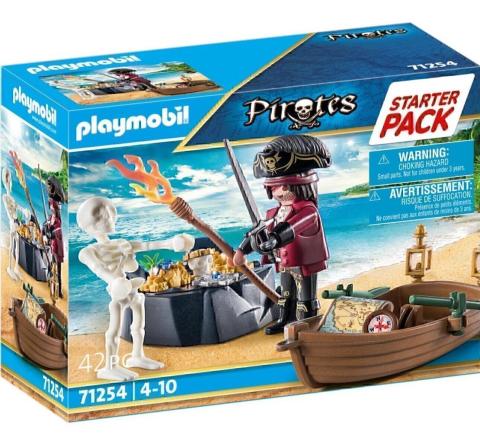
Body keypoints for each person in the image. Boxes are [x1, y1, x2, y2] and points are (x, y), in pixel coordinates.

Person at [232, 135, 332, 334]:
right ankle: (285, 320)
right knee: (286, 294)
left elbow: (294, 226)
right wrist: (243, 249)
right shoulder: (275, 212)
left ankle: (306, 326)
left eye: (285, 185)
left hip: (303, 263)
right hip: (285, 262)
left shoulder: (308, 210)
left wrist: (275, 239)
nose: (280, 191)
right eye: (275, 186)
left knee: (305, 297)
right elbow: (260, 230)